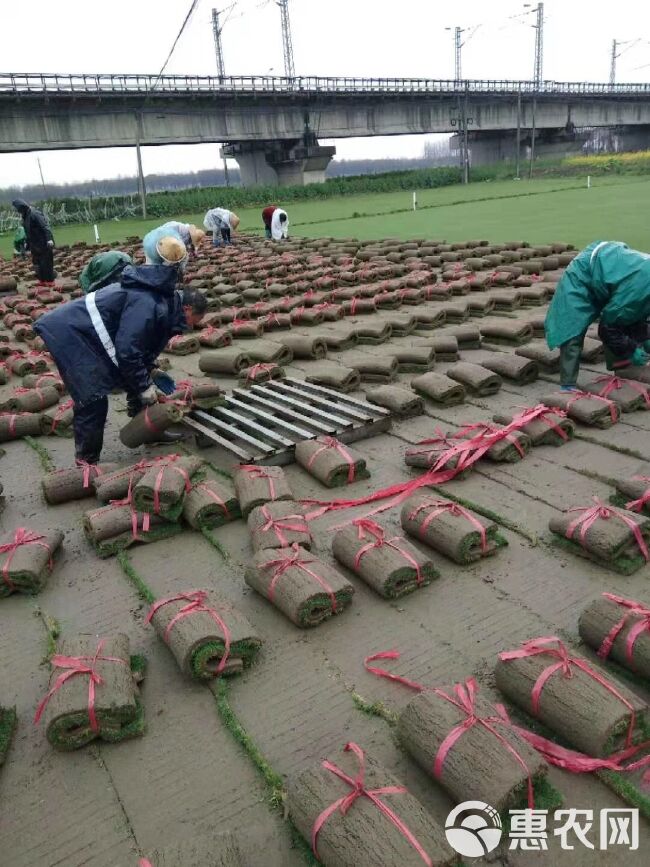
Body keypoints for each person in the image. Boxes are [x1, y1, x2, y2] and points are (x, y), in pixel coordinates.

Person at [33, 236, 207, 465]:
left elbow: (139, 350)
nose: (193, 326)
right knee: (93, 397)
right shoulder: (150, 304)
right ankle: (86, 463)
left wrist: (150, 373)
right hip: (71, 333)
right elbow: (128, 351)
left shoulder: (163, 306)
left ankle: (147, 431)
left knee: (138, 377)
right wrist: (145, 387)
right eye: (195, 319)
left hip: (89, 333)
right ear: (186, 308)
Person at [545, 241, 650, 390]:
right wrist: (631, 349)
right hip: (584, 271)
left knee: (627, 316)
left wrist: (645, 338)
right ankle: (567, 385)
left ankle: (623, 366)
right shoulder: (639, 288)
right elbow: (608, 327)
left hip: (612, 272)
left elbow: (639, 313)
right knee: (572, 328)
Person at [12, 199, 55, 284]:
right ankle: (42, 280)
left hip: (43, 242)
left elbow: (45, 227)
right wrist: (26, 245)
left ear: (22, 208)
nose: (18, 212)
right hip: (34, 244)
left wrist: (49, 239)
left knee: (46, 262)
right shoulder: (25, 216)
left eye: (19, 210)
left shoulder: (34, 214)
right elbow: (28, 232)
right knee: (37, 263)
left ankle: (50, 281)